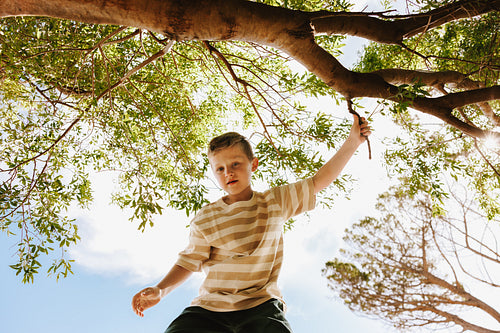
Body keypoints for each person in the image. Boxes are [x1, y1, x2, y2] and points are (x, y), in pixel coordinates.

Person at [132, 114, 371, 332]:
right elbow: (189, 261)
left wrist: (352, 142)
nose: (229, 173)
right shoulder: (207, 217)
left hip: (262, 307)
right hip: (209, 309)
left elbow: (318, 181)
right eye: (221, 169)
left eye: (235, 164)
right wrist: (161, 290)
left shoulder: (274, 202)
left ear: (252, 165)